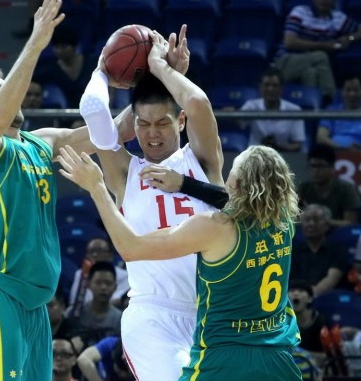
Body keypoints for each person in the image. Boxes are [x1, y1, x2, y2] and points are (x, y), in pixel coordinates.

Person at [0, 0, 131, 380]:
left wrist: (151, 78)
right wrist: (35, 43)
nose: (12, 93)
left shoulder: (41, 141)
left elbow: (112, 132)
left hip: (36, 300)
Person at [58, 144, 304, 380]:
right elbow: (239, 201)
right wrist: (185, 184)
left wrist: (97, 188)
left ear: (236, 184)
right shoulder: (284, 222)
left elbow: (130, 247)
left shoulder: (214, 227)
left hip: (225, 359)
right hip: (278, 356)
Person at [76, 26, 224, 380]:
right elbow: (94, 108)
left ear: (181, 121)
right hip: (152, 315)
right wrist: (101, 69)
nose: (152, 133)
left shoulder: (202, 161)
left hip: (212, 315)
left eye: (162, 122)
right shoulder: (123, 172)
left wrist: (162, 69)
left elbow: (199, 102)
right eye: (143, 124)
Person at [273, 0, 361, 107]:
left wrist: (349, 38)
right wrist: (325, 46)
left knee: (311, 74)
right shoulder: (300, 12)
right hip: (284, 63)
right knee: (321, 56)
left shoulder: (338, 18)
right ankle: (334, 101)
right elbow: (289, 42)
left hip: (312, 67)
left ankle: (314, 115)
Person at [290, 204, 352, 296]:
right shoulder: (294, 250)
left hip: (328, 298)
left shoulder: (337, 250)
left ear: (327, 225)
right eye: (307, 220)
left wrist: (309, 295)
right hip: (297, 297)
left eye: (316, 220)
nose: (311, 224)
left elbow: (331, 280)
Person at [242, 67, 306, 152]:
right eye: (267, 85)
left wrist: (277, 146)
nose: (270, 89)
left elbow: (297, 145)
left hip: (282, 156)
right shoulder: (251, 106)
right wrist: (232, 112)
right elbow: (240, 122)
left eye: (274, 85)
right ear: (260, 87)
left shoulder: (294, 110)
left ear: (281, 88)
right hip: (254, 157)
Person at [34, 25, 98, 109]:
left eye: (64, 47)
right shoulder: (51, 69)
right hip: (65, 114)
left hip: (93, 108)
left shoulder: (92, 63)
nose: (60, 51)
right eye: (57, 47)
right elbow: (33, 81)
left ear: (74, 47)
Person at [298, 143, 361, 227]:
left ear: (332, 169)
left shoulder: (346, 188)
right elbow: (296, 218)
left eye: (321, 166)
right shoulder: (304, 188)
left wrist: (321, 223)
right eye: (312, 166)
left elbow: (350, 223)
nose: (316, 170)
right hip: (310, 230)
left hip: (338, 232)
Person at [68, 261, 122, 347]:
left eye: (108, 283)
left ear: (115, 287)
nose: (103, 287)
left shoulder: (121, 319)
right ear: (88, 284)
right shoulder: (74, 312)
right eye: (98, 282)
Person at [68, 236, 129, 311]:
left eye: (99, 251)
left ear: (110, 255)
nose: (95, 255)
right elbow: (75, 301)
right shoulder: (81, 273)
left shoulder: (124, 275)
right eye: (91, 251)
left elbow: (120, 300)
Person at [289, 281, 328, 368]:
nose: (295, 293)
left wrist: (303, 355)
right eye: (292, 291)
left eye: (301, 291)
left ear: (310, 298)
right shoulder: (281, 322)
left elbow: (328, 356)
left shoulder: (320, 321)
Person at [316, 75, 361, 151]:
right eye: (348, 90)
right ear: (342, 92)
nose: (352, 94)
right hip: (336, 153)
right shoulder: (332, 111)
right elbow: (320, 137)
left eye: (356, 90)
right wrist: (344, 149)